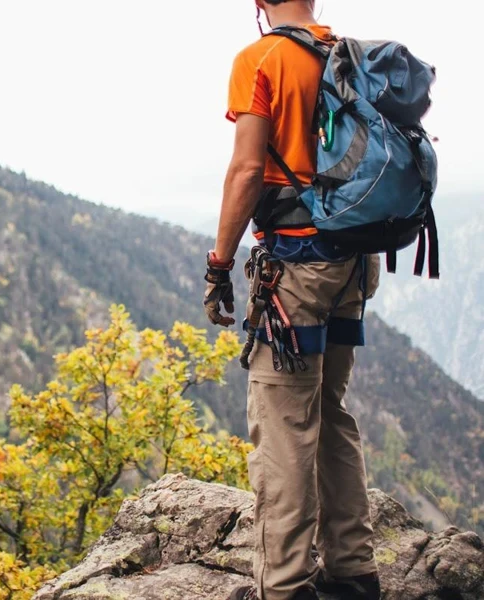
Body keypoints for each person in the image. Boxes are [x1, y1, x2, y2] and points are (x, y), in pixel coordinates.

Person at [203, 1, 382, 599]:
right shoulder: (350, 57)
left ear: (259, 2)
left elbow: (247, 171)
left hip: (294, 274)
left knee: (283, 426)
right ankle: (353, 570)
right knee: (330, 410)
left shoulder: (260, 59)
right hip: (355, 263)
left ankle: (283, 586)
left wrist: (219, 264)